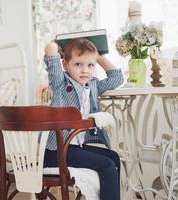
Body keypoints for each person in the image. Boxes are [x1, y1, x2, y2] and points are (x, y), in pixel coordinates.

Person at [43, 38, 124, 200]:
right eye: (78, 64)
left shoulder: (93, 85)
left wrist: (98, 57)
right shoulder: (61, 83)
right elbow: (51, 55)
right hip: (57, 151)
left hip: (74, 147)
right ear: (66, 65)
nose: (85, 70)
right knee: (107, 166)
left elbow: (117, 78)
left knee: (113, 157)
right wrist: (56, 46)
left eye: (90, 65)